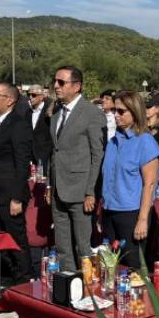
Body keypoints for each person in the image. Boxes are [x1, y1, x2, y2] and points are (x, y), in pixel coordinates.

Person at [49, 66, 107, 272]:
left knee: (83, 246)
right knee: (62, 245)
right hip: (59, 190)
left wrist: (91, 191)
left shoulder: (91, 113)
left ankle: (89, 290)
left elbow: (97, 155)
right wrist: (50, 185)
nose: (56, 86)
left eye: (61, 82)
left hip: (80, 191)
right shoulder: (57, 112)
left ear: (77, 86)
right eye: (55, 81)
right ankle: (67, 285)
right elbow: (55, 152)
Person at [100, 90, 159, 268]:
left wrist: (142, 219)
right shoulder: (114, 141)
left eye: (121, 111)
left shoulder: (145, 142)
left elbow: (149, 184)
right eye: (114, 111)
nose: (116, 115)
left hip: (131, 213)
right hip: (110, 211)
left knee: (133, 266)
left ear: (134, 112)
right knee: (112, 265)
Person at [0, 82, 34, 284]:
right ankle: (4, 279)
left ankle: (24, 279)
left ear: (10, 100)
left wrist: (17, 197)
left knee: (15, 237)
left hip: (10, 192)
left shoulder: (18, 124)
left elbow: (22, 164)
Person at [27, 84, 52, 168]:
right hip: (30, 156)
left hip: (45, 156)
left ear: (41, 97)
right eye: (28, 94)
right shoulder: (28, 112)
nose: (30, 97)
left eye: (33, 95)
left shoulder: (49, 111)